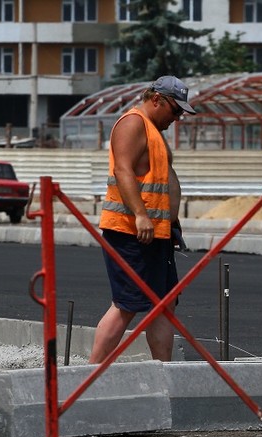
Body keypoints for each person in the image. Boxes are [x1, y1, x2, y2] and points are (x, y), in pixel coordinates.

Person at [89, 75, 196, 363]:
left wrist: (170, 223)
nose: (177, 118)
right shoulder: (132, 123)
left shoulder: (152, 130)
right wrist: (140, 215)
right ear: (157, 100)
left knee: (164, 304)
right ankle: (88, 376)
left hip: (156, 234)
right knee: (127, 304)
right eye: (175, 111)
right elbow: (123, 171)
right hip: (130, 232)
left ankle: (163, 370)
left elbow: (159, 180)